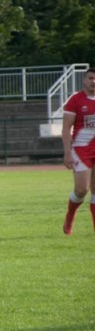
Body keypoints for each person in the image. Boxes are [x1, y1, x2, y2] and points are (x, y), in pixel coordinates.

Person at [62, 67, 95, 235]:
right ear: (84, 80)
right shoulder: (75, 99)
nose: (93, 81)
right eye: (90, 78)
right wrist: (67, 153)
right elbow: (66, 129)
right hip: (81, 150)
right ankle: (70, 215)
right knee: (81, 190)